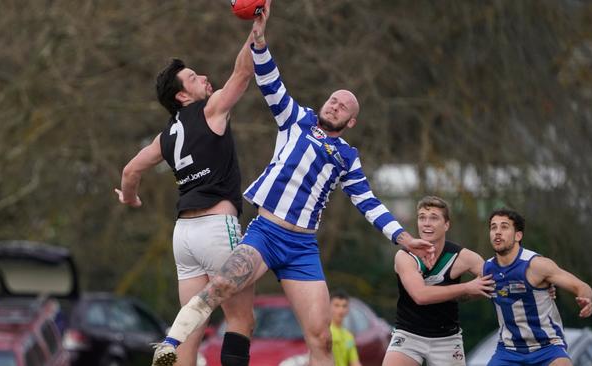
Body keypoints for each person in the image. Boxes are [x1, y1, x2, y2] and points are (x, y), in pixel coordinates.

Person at [150, 3, 434, 366]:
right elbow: (269, 80)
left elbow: (369, 203)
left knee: (321, 338)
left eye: (344, 106)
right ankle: (170, 343)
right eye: (333, 99)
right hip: (265, 234)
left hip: (302, 248)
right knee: (219, 287)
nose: (335, 105)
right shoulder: (296, 119)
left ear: (352, 122)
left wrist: (403, 237)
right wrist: (259, 36)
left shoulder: (347, 156)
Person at [115, 31, 257, 366]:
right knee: (241, 320)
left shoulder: (165, 137)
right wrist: (256, 32)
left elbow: (130, 171)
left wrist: (130, 198)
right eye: (194, 77)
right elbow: (243, 73)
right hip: (217, 229)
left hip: (184, 237)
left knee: (189, 329)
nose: (204, 77)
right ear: (182, 95)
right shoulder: (210, 110)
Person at [382, 196, 495, 366]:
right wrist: (466, 288)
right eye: (422, 217)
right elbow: (421, 296)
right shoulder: (405, 256)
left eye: (434, 218)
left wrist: (541, 284)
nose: (426, 223)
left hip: (447, 339)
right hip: (408, 335)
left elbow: (496, 280)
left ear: (446, 224)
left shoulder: (462, 256)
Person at [484, 208, 592, 366]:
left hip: (547, 348)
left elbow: (581, 286)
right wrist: (466, 289)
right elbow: (467, 293)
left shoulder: (537, 265)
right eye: (493, 227)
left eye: (504, 227)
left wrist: (586, 299)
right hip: (508, 351)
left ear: (518, 235)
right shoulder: (486, 269)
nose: (497, 232)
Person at [329, 290, 361, 366]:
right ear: (329, 307)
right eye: (336, 305)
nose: (341, 310)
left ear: (348, 309)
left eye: (344, 306)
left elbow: (354, 362)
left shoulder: (349, 336)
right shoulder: (324, 332)